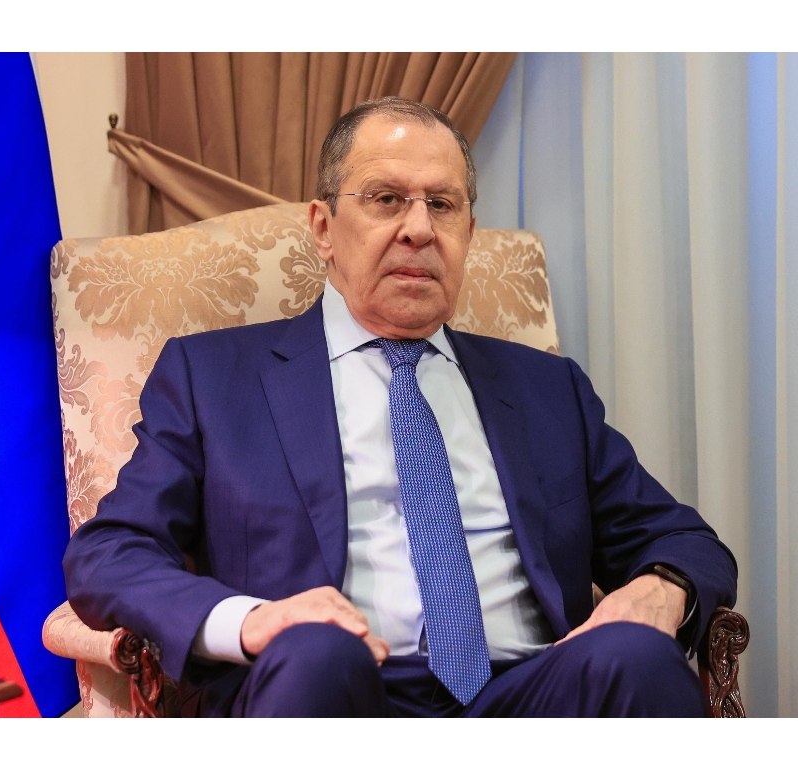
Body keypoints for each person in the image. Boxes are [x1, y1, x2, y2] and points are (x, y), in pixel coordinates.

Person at [63, 97, 737, 717]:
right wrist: (250, 621)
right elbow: (110, 553)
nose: (418, 228)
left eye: (442, 205)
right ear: (323, 227)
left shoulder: (544, 387)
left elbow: (683, 540)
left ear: (468, 231)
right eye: (386, 199)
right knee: (317, 654)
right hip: (330, 690)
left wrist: (663, 588)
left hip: (533, 694)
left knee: (636, 656)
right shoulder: (214, 377)